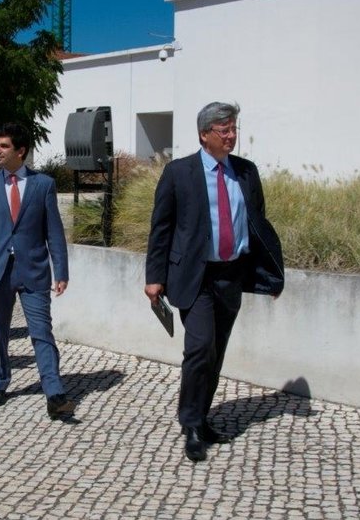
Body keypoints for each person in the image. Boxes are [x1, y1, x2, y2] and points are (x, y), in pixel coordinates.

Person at [145, 102, 284, 462]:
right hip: (195, 276)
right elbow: (161, 228)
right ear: (204, 134)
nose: (231, 135)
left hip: (231, 275)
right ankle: (191, 424)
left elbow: (258, 226)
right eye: (224, 130)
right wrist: (154, 278)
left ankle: (202, 417)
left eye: (234, 128)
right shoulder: (179, 173)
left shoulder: (247, 173)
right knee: (200, 347)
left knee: (216, 352)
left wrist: (269, 275)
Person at [0, 123, 76, 420]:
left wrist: (61, 270)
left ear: (21, 151)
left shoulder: (43, 184)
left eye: (3, 146)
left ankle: (53, 392)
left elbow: (54, 231)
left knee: (42, 332)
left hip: (34, 270)